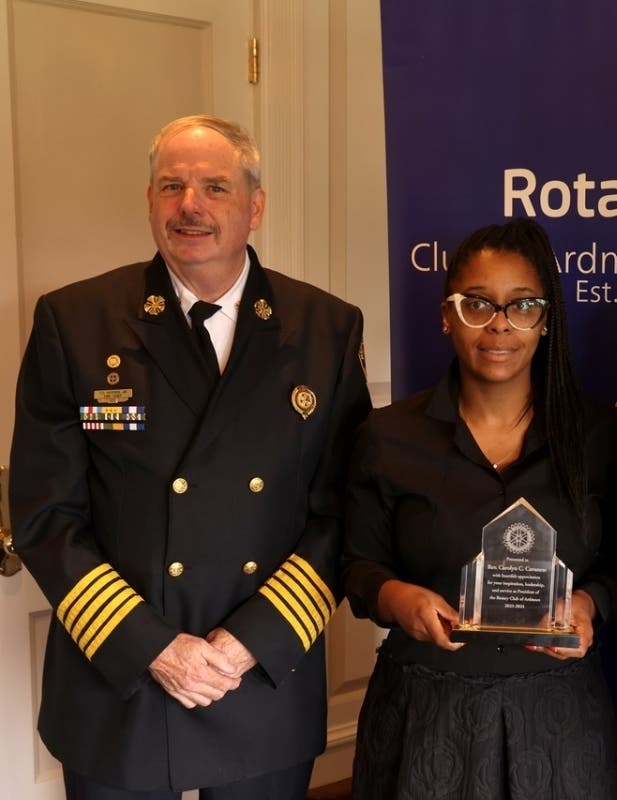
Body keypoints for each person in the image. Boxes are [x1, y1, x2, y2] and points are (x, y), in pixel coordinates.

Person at [9, 114, 372, 799]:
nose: (190, 207)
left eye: (215, 187)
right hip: (119, 676)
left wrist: (247, 643)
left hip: (260, 671)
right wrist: (154, 648)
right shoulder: (77, 321)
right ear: (149, 201)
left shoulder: (324, 327)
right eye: (171, 186)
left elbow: (343, 510)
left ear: (255, 206)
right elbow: (45, 513)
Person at [343, 217, 617, 799]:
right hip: (427, 711)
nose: (499, 325)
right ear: (446, 315)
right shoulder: (388, 435)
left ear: (545, 320)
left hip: (559, 715)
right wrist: (396, 598)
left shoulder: (599, 434)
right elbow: (355, 562)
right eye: (477, 304)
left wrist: (591, 603)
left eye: (521, 306)